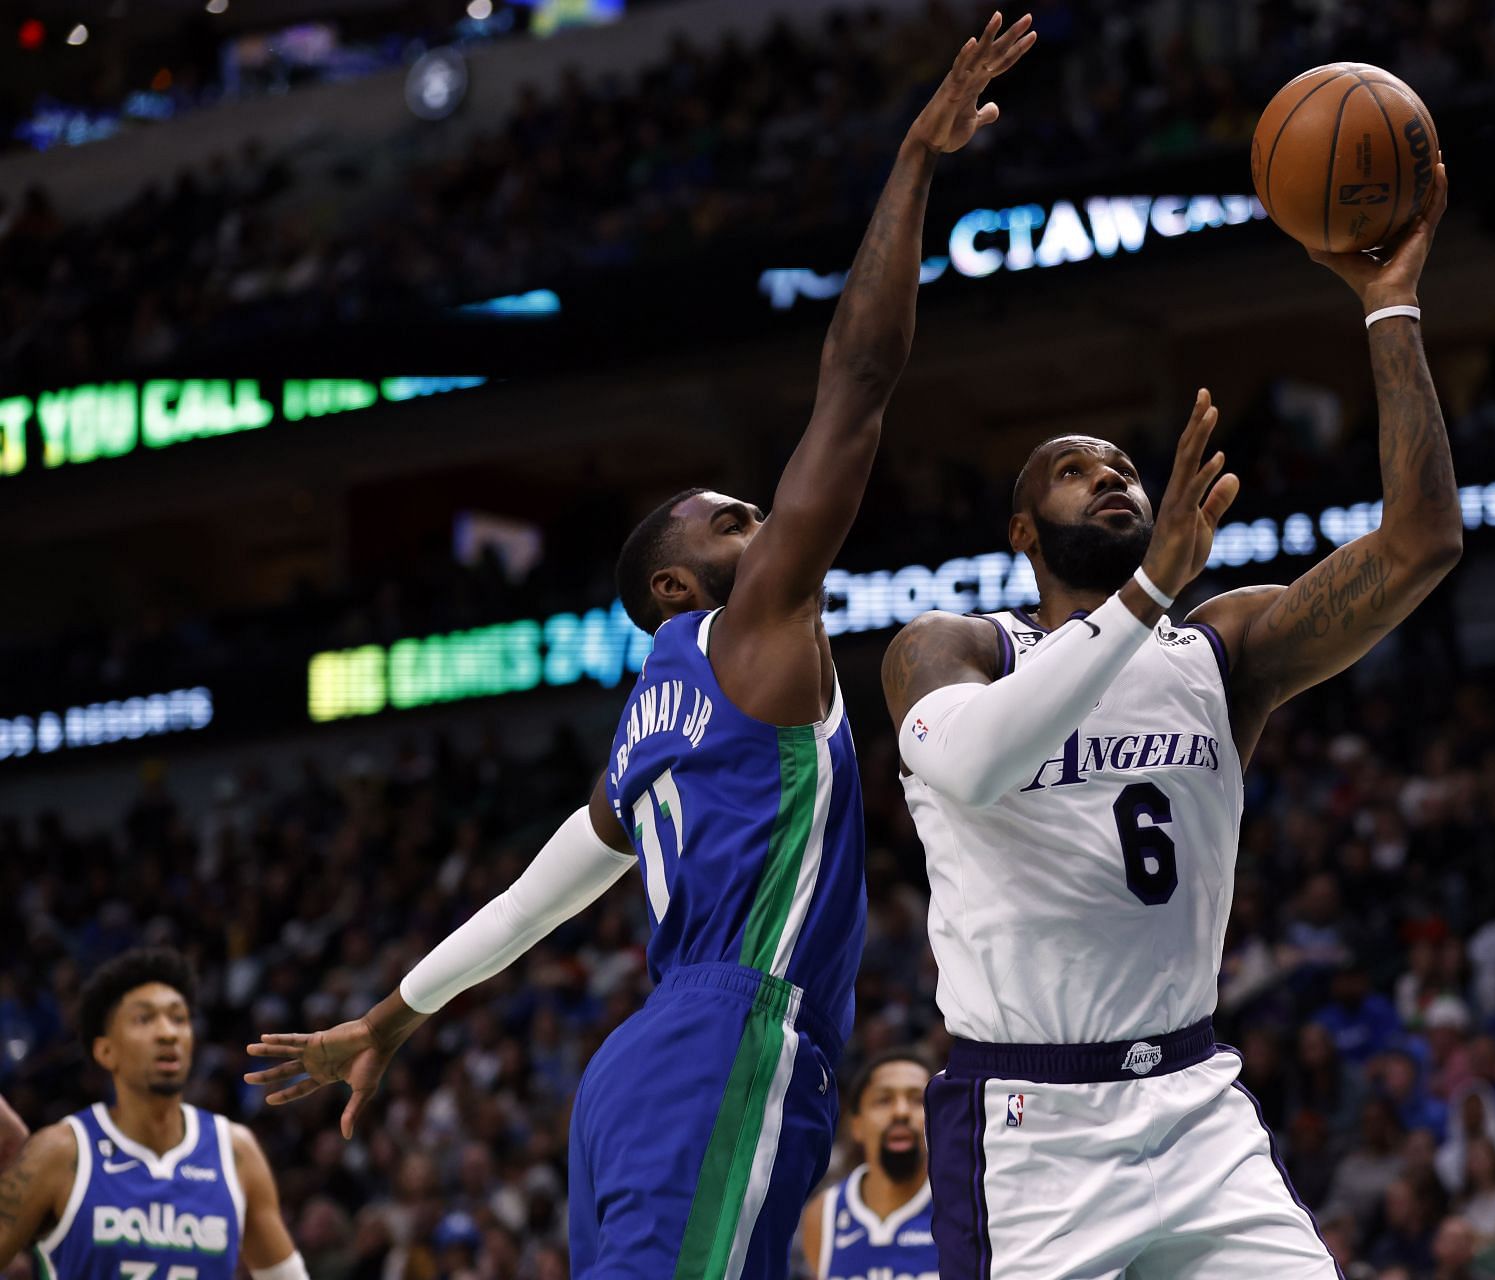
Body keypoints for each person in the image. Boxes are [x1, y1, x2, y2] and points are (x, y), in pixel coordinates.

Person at [240, 18, 1037, 1280]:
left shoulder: (639, 738)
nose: (763, 519)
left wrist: (393, 1017)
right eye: (733, 518)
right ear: (678, 580)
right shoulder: (747, 628)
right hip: (732, 1033)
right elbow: (859, 376)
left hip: (633, 1074)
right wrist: (914, 164)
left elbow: (526, 903)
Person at [883, 163, 1461, 1274]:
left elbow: (1422, 541)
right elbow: (969, 764)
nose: (1107, 475)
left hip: (1196, 1102)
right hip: (1029, 1124)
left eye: (1124, 467)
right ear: (1020, 529)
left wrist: (1388, 305)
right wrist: (1146, 590)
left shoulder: (1220, 649)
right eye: (1071, 469)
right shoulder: (954, 647)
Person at [0, 949, 303, 1280]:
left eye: (178, 1018)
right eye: (144, 1019)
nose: (167, 1033)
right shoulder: (59, 1152)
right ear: (105, 1050)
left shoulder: (236, 1152)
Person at [798, 1051, 937, 1280]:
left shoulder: (965, 1207)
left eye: (917, 1100)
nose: (900, 1112)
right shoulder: (823, 1213)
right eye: (884, 1100)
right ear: (857, 1125)